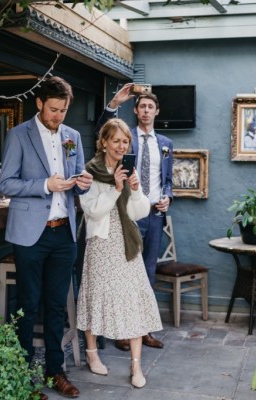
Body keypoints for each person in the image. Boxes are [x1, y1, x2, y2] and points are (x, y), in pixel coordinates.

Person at [0, 76, 93, 399]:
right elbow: (6, 184)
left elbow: (79, 178)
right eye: (53, 110)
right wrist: (44, 185)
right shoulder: (18, 135)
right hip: (29, 236)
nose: (58, 117)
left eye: (63, 111)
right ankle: (23, 376)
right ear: (39, 104)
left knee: (56, 307)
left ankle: (55, 371)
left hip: (64, 234)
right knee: (27, 304)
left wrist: (83, 181)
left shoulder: (73, 136)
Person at [76, 118, 163, 388]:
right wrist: (115, 188)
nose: (121, 146)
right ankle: (92, 354)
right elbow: (92, 211)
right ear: (104, 142)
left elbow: (139, 213)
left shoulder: (129, 169)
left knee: (132, 301)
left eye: (126, 142)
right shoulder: (89, 171)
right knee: (95, 297)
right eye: (116, 141)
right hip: (101, 243)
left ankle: (136, 367)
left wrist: (136, 191)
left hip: (127, 243)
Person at [96, 83, 173, 352]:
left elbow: (168, 180)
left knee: (148, 272)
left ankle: (144, 330)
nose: (146, 111)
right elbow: (102, 128)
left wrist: (168, 198)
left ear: (157, 111)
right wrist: (114, 103)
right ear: (136, 110)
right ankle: (121, 330)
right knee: (125, 270)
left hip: (153, 214)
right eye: (142, 106)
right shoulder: (125, 138)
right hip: (128, 213)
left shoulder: (166, 144)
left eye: (151, 107)